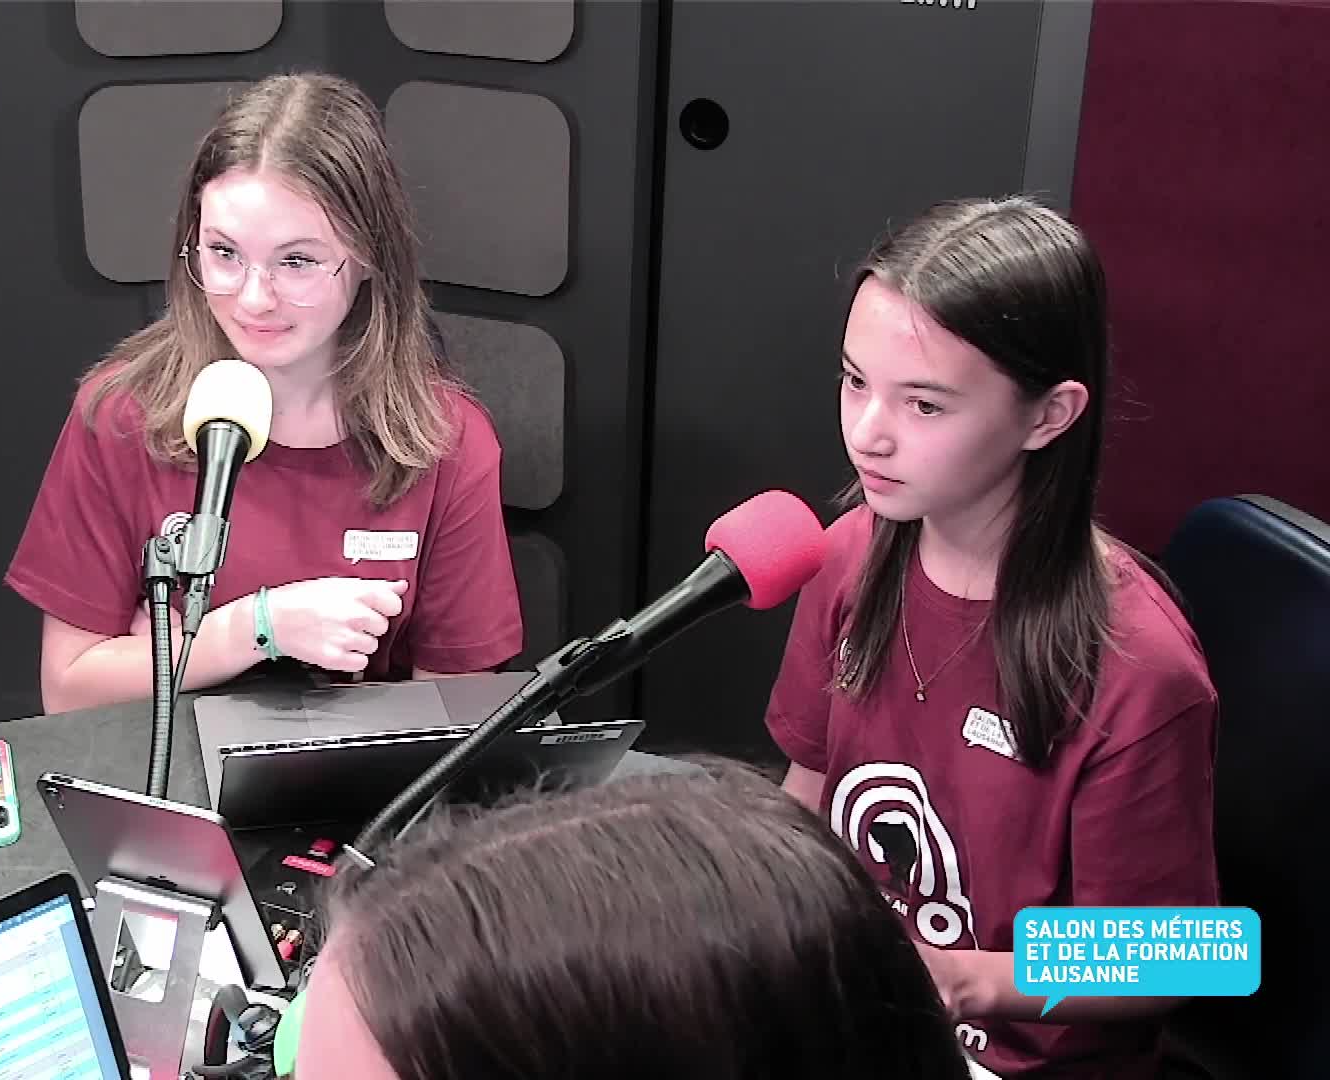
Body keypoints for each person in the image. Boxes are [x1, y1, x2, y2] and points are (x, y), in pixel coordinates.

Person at [764, 196, 1218, 1078]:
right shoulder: (848, 555)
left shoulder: (1143, 670)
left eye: (925, 406)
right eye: (855, 382)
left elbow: (1182, 957)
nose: (867, 434)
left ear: (1049, 416)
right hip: (859, 1012)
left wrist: (959, 979)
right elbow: (808, 789)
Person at [6, 73, 523, 714]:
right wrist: (256, 628)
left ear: (369, 257)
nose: (253, 299)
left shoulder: (450, 441)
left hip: (363, 775)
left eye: (296, 261)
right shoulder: (120, 415)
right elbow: (68, 690)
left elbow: (456, 714)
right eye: (224, 253)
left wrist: (164, 655)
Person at [289, 762, 977, 1079]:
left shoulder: (1057, 647)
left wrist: (975, 978)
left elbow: (1063, 932)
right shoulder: (855, 577)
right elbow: (792, 812)